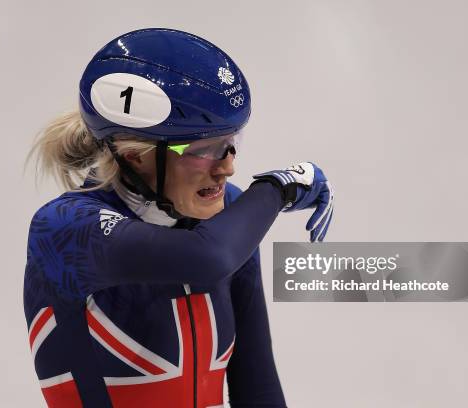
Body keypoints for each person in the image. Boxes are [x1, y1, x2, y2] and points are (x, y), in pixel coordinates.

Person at [24, 28, 334, 408]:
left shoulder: (228, 216)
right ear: (133, 154)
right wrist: (277, 188)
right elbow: (207, 259)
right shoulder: (65, 227)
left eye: (232, 143)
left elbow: (257, 382)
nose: (229, 168)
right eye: (206, 150)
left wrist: (260, 199)